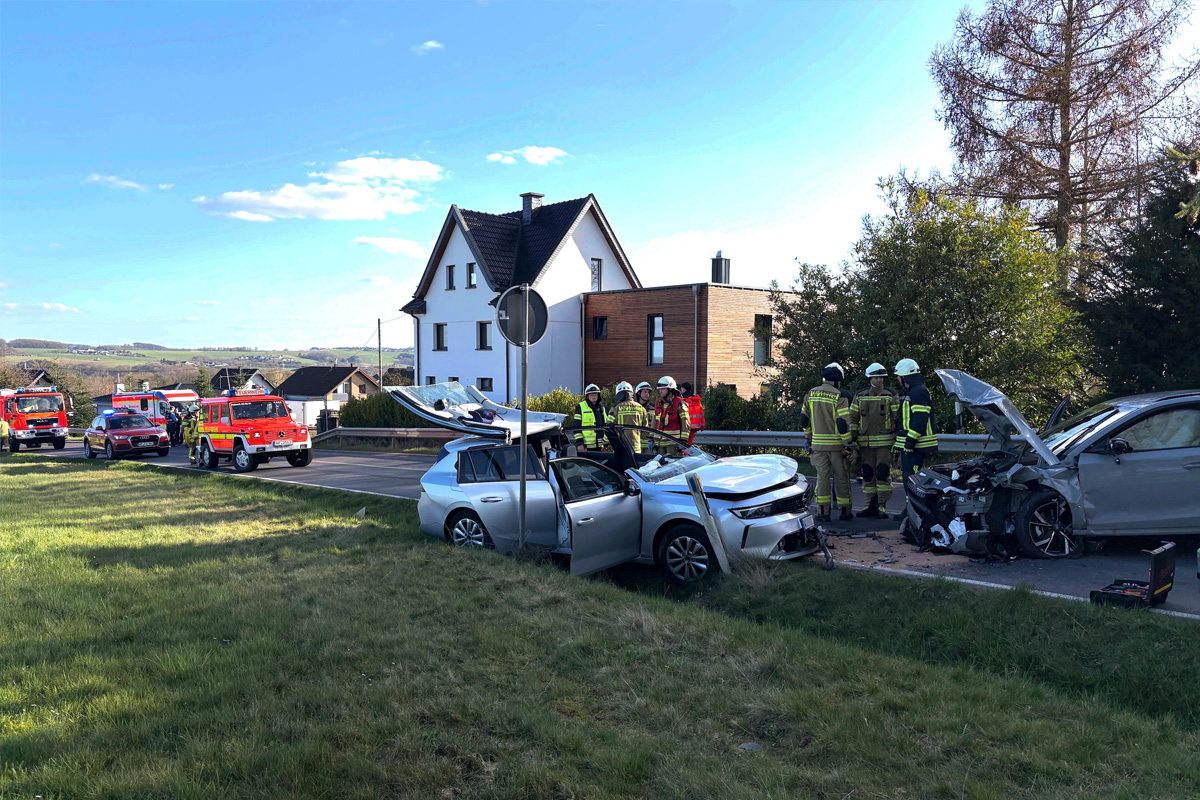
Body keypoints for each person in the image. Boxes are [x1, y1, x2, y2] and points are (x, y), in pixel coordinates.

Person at [800, 363, 853, 522]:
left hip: (818, 445)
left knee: (822, 477)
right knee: (841, 477)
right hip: (837, 446)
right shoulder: (839, 395)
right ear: (838, 381)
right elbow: (842, 423)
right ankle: (845, 511)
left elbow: (804, 419)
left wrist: (808, 438)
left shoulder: (811, 393)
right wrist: (848, 443)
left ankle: (823, 512)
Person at [849, 362, 899, 518]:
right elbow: (853, 417)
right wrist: (852, 437)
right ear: (870, 378)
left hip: (885, 443)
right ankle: (868, 506)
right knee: (868, 474)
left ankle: (881, 506)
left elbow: (898, 418)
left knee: (883, 473)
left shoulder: (891, 394)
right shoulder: (860, 395)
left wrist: (897, 438)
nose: (880, 380)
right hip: (865, 443)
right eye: (877, 377)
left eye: (882, 377)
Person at [893, 358, 939, 520]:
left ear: (905, 377)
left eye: (899, 376)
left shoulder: (918, 392)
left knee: (912, 479)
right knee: (909, 478)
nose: (898, 379)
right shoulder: (913, 391)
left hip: (917, 445)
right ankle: (911, 510)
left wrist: (910, 442)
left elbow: (919, 419)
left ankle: (913, 512)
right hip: (913, 444)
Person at [607, 381, 648, 453]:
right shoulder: (640, 408)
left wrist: (608, 443)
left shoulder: (616, 408)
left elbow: (609, 427)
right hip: (636, 448)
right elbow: (645, 429)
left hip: (622, 448)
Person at [652, 376, 690, 453]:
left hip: (673, 444)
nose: (660, 391)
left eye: (663, 389)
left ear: (670, 389)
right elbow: (654, 421)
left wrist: (683, 441)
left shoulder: (679, 403)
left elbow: (685, 422)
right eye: (659, 389)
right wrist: (651, 438)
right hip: (659, 444)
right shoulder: (659, 402)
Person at [568, 383, 609, 451]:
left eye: (595, 394)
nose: (594, 396)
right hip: (586, 446)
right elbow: (576, 427)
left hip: (600, 445)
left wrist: (605, 443)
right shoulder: (581, 407)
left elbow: (606, 424)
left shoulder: (601, 407)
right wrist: (580, 443)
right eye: (592, 394)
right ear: (587, 395)